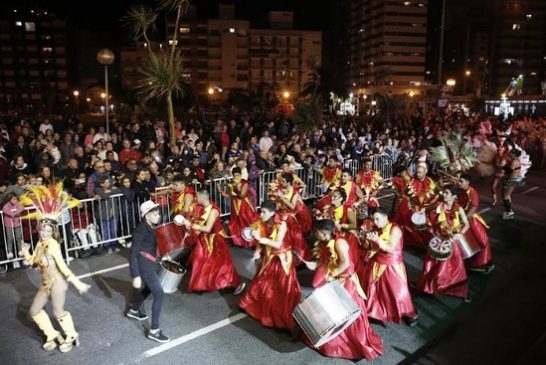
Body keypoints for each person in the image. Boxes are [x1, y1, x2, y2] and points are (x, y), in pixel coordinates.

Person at [305, 219, 383, 360]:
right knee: (332, 312)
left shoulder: (339, 243)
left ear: (322, 233)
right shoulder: (325, 242)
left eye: (316, 232)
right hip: (336, 280)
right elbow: (327, 260)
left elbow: (346, 263)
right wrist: (315, 264)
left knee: (348, 313)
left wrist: (332, 276)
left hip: (346, 281)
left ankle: (354, 344)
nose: (314, 234)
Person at [21, 203, 90, 352]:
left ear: (52, 231)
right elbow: (33, 262)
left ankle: (71, 335)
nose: (45, 233)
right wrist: (25, 251)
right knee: (34, 311)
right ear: (39, 229)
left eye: (48, 230)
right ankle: (52, 334)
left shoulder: (52, 245)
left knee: (58, 312)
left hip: (57, 283)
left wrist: (77, 283)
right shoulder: (40, 243)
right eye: (43, 230)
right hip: (46, 283)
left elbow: (63, 266)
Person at [239, 200, 301, 330]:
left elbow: (278, 243)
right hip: (269, 257)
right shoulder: (262, 223)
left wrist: (260, 239)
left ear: (273, 213)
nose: (261, 214)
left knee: (279, 289)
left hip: (282, 259)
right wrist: (257, 251)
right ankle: (255, 307)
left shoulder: (281, 224)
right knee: (261, 283)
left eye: (264, 212)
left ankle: (276, 316)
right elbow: (260, 241)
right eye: (260, 211)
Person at [360, 208, 417, 325]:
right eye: (373, 219)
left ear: (385, 217)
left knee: (397, 292)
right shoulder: (378, 229)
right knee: (374, 289)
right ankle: (376, 312)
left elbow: (390, 248)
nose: (375, 222)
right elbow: (373, 247)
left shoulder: (395, 229)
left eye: (377, 219)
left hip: (392, 265)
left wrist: (377, 240)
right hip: (377, 262)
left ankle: (409, 313)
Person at [184, 189, 245, 294]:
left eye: (197, 197)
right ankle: (203, 284)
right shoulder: (203, 207)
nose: (195, 198)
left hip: (216, 241)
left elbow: (207, 228)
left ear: (203, 198)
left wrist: (191, 225)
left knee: (222, 265)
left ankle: (234, 284)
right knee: (202, 261)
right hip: (205, 239)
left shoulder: (213, 211)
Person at [416, 186, 470, 300]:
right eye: (444, 192)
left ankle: (455, 289)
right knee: (431, 266)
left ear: (454, 196)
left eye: (446, 192)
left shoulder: (458, 209)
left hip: (451, 242)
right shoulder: (437, 206)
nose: (443, 194)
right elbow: (424, 212)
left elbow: (466, 224)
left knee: (456, 268)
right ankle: (429, 288)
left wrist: (459, 234)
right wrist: (428, 227)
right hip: (437, 241)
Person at [127, 200, 170, 343]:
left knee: (149, 288)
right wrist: (136, 275)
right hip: (144, 265)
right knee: (159, 293)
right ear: (146, 215)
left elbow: (150, 246)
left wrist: (162, 256)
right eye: (155, 213)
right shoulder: (140, 230)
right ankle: (154, 331)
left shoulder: (150, 226)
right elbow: (133, 253)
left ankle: (134, 310)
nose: (158, 215)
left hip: (150, 262)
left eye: (158, 212)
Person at [393, 163, 438, 249]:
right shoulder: (412, 182)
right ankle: (414, 244)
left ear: (425, 172)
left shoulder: (431, 182)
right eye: (417, 172)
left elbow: (435, 196)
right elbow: (407, 195)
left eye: (420, 172)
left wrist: (427, 207)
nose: (418, 174)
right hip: (415, 208)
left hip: (427, 209)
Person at [458, 174, 494, 273]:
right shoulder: (461, 191)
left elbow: (473, 208)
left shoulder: (472, 193)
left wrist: (464, 220)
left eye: (461, 181)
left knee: (482, 242)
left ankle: (482, 264)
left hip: (472, 222)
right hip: (465, 220)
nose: (459, 183)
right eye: (459, 181)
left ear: (468, 182)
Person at [219, 167, 259, 248]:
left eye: (237, 175)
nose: (236, 177)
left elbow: (242, 196)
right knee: (236, 223)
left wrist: (237, 187)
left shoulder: (245, 183)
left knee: (248, 221)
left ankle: (253, 241)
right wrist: (222, 193)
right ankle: (239, 242)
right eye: (234, 175)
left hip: (244, 205)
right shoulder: (232, 183)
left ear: (240, 175)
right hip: (235, 205)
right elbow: (231, 196)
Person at [501, 148, 524, 220]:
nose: (509, 153)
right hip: (512, 179)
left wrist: (502, 165)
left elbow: (509, 170)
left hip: (513, 180)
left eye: (511, 152)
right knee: (504, 194)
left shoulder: (514, 161)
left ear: (514, 154)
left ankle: (509, 213)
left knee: (505, 196)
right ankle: (509, 210)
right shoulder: (515, 160)